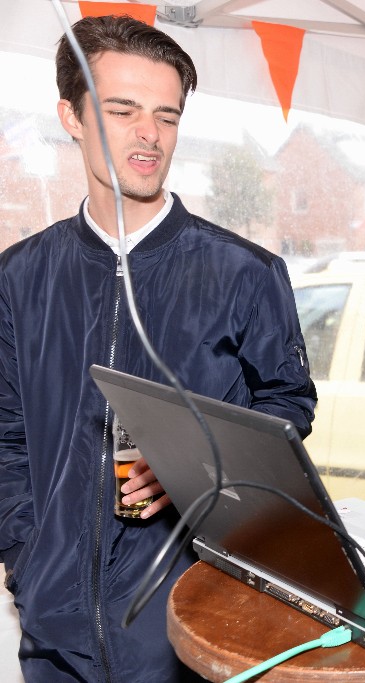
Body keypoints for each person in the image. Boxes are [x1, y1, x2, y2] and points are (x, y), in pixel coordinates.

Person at [0, 16, 316, 682]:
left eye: (166, 116)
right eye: (123, 110)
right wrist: (26, 554)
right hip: (54, 633)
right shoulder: (18, 276)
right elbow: (5, 438)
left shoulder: (246, 272)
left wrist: (192, 463)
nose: (150, 133)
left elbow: (288, 415)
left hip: (190, 625)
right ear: (72, 115)